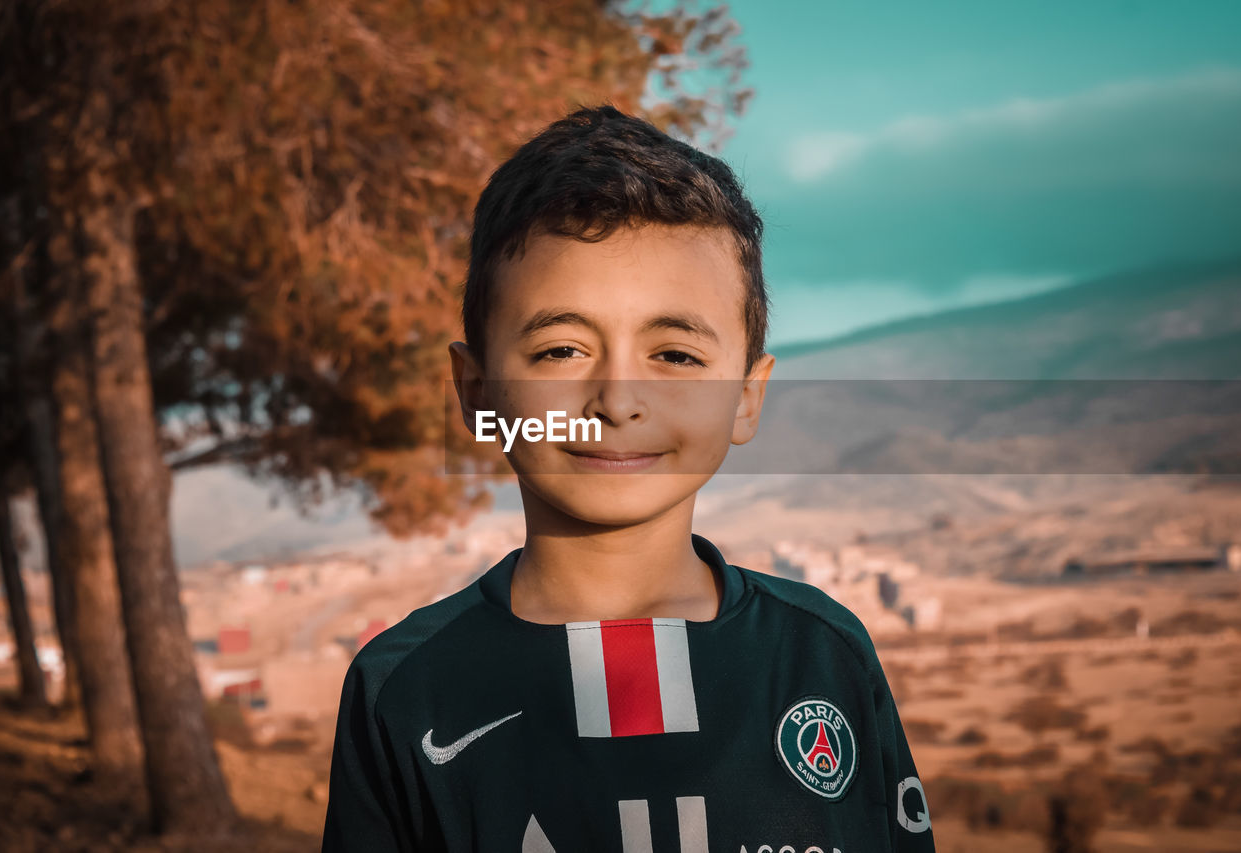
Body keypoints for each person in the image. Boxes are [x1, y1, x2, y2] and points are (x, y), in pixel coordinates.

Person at [322, 103, 934, 852]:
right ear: (476, 392)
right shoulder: (405, 690)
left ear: (746, 397)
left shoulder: (825, 654)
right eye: (559, 351)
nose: (616, 401)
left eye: (675, 355)